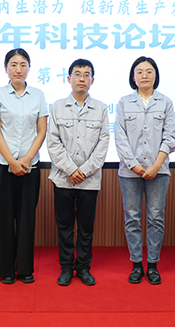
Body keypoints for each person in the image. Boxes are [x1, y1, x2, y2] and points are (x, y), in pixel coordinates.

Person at [0, 48, 48, 284]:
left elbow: (41, 131)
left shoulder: (38, 95)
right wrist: (12, 161)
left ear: (29, 68)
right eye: (13, 64)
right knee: (3, 217)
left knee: (26, 218)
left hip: (30, 166)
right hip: (1, 165)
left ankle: (24, 268)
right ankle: (5, 269)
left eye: (23, 64)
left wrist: (26, 160)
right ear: (6, 68)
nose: (18, 69)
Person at [115, 56, 175, 284]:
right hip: (130, 172)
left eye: (149, 71)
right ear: (133, 77)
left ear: (155, 76)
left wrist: (156, 165)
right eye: (139, 71)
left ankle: (152, 265)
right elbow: (120, 137)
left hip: (158, 172)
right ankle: (136, 264)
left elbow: (170, 136)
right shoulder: (124, 102)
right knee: (132, 218)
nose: (144, 75)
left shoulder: (165, 102)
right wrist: (135, 165)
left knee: (155, 217)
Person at [47, 59, 110, 286]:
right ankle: (66, 268)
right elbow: (53, 142)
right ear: (69, 78)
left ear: (92, 79)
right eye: (77, 74)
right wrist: (71, 169)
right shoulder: (57, 107)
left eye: (86, 74)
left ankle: (83, 267)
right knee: (64, 226)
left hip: (89, 180)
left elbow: (103, 144)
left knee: (86, 227)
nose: (81, 78)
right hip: (63, 179)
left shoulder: (101, 109)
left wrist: (83, 171)